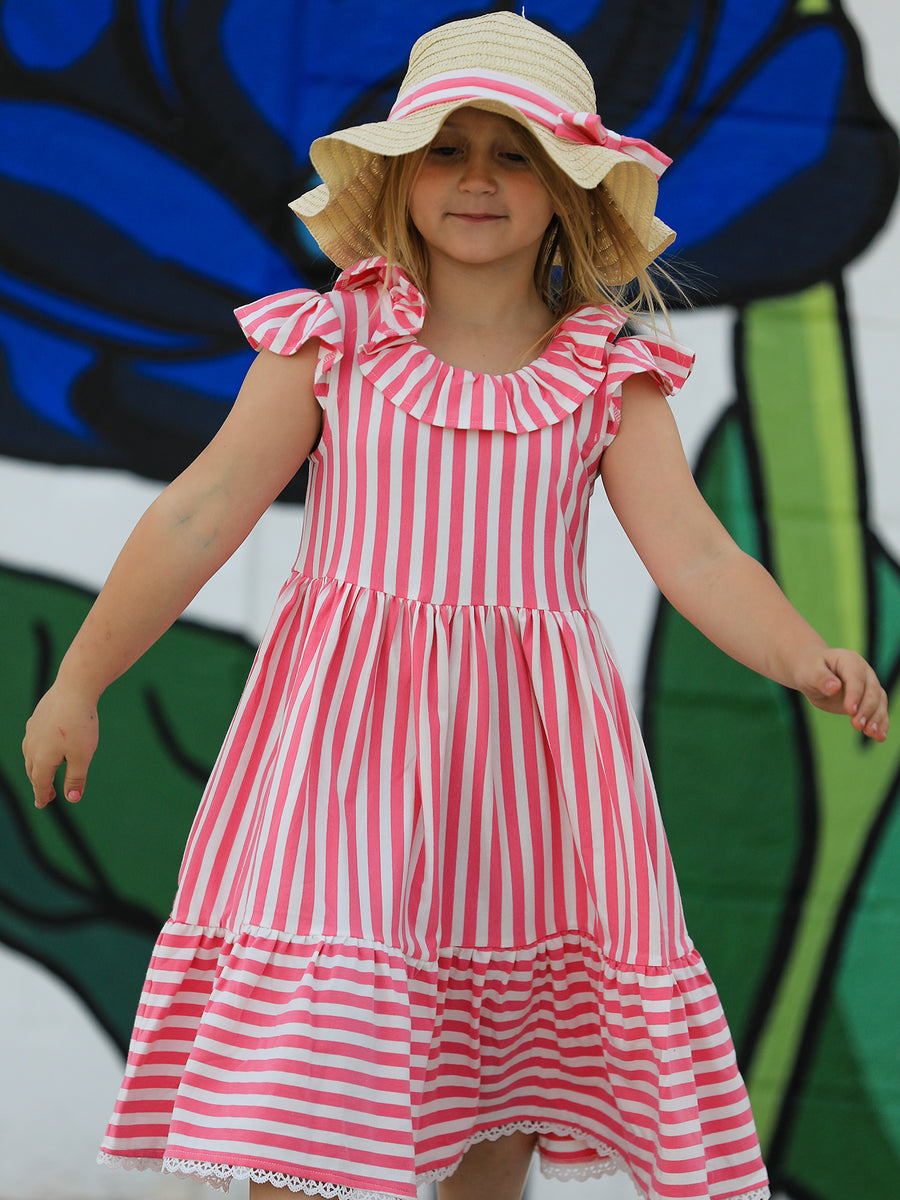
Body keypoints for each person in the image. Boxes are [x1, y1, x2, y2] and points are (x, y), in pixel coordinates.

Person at [22, 12, 888, 1200]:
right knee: (307, 1068)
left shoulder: (607, 373)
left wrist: (801, 652)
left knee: (495, 1079)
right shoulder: (332, 339)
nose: (478, 178)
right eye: (446, 149)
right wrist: (80, 679)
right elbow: (200, 513)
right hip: (342, 754)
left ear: (568, 188)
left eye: (515, 154)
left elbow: (694, 554)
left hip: (524, 768)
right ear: (397, 175)